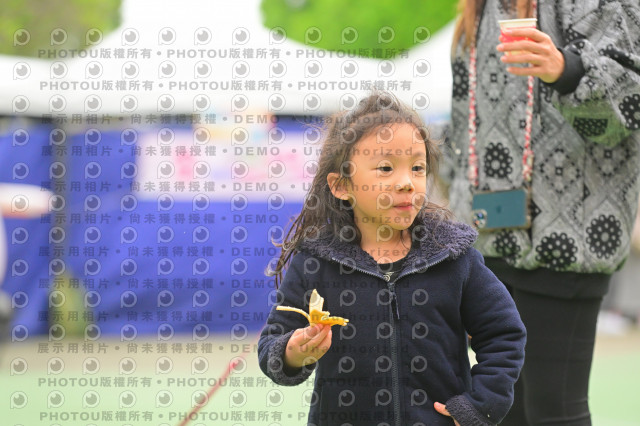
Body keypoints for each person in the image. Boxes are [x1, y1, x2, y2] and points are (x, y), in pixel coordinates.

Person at [257, 91, 527, 426]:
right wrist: (293, 352)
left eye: (417, 168)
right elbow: (273, 344)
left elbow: (503, 334)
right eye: (385, 168)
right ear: (341, 186)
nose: (406, 183)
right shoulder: (316, 261)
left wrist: (479, 407)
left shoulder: (454, 257)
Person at [442, 0, 640, 424]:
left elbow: (632, 100)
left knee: (554, 410)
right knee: (502, 408)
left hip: (571, 237)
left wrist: (567, 71)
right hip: (487, 238)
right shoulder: (477, 9)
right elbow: (462, 126)